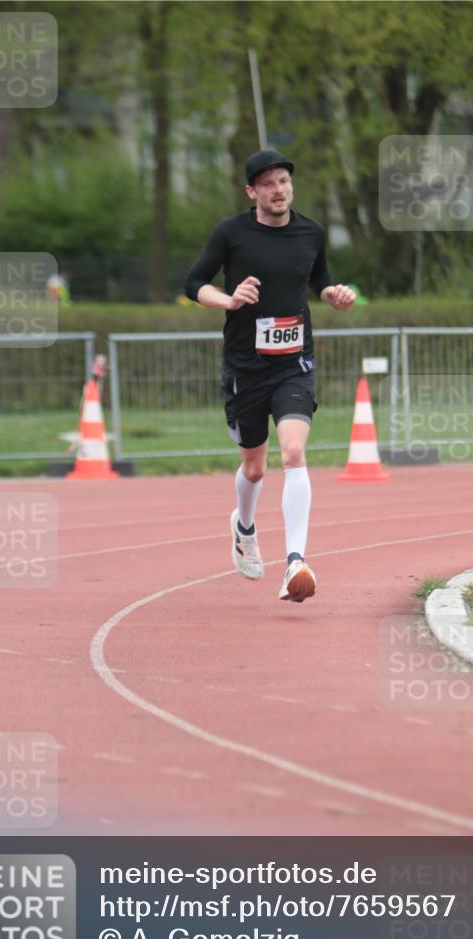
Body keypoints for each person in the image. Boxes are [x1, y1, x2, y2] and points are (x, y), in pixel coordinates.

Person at [185, 149, 355, 602]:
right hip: (246, 367)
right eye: (268, 184)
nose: (278, 190)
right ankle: (244, 528)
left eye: (283, 181)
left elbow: (319, 279)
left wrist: (334, 295)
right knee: (255, 467)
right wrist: (229, 300)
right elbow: (193, 283)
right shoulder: (231, 233)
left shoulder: (312, 232)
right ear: (251, 192)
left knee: (294, 452)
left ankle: (295, 562)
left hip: (293, 363)